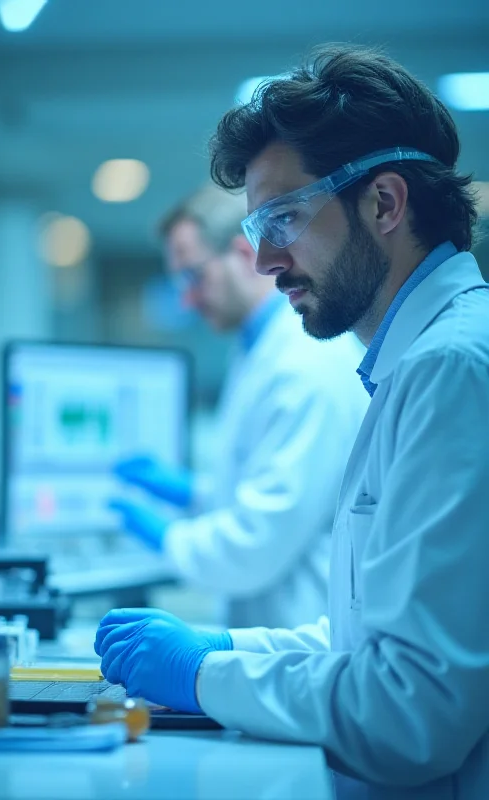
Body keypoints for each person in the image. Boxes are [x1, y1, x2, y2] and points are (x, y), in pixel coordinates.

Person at [95, 44, 489, 799]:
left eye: (284, 217)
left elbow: (412, 715)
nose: (267, 259)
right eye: (254, 231)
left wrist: (205, 673)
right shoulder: (411, 367)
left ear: (384, 203)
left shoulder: (451, 369)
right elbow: (368, 637)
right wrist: (230, 648)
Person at [110, 182, 368, 629]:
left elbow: (259, 540)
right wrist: (196, 493)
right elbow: (274, 487)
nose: (187, 300)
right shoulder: (257, 349)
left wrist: (167, 537)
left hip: (303, 635)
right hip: (271, 627)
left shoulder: (305, 363)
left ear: (244, 255)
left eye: (193, 277)